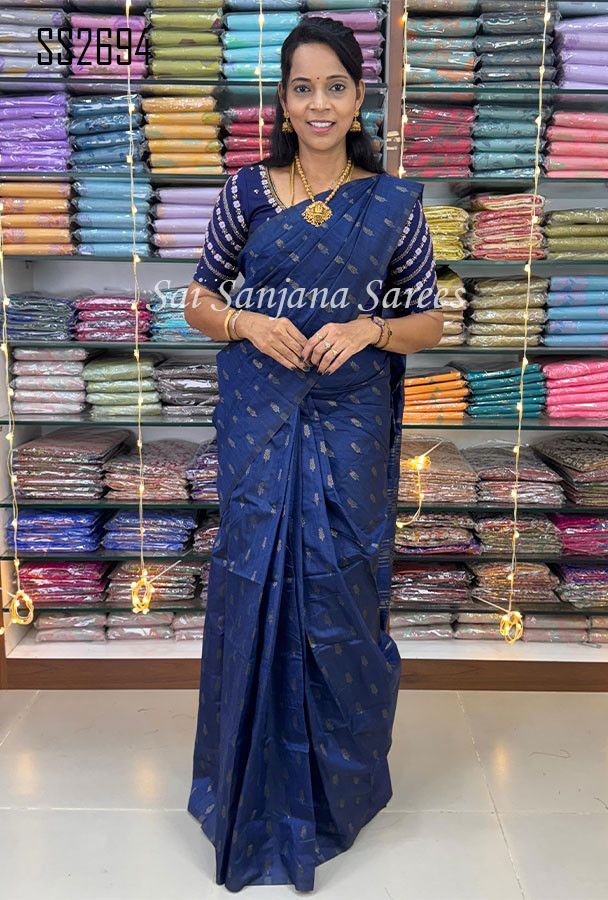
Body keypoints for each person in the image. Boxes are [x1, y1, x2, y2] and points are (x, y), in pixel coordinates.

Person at [184, 14, 443, 893]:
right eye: (304, 88)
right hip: (262, 420)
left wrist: (370, 326)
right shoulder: (246, 193)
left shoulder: (393, 204)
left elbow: (429, 319)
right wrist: (245, 321)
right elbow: (197, 298)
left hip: (350, 420)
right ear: (285, 102)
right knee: (254, 581)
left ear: (359, 97)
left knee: (342, 589)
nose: (320, 103)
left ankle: (336, 795)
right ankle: (250, 791)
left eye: (336, 86)